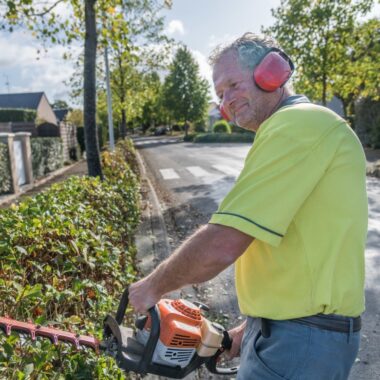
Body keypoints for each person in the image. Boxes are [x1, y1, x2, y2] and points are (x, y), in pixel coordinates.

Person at [129, 33, 368, 380]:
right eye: (220, 94)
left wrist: (151, 286)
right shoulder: (294, 129)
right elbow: (300, 251)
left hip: (301, 343)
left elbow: (225, 241)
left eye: (233, 85)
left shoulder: (299, 125)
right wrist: (251, 328)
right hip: (291, 333)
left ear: (271, 73)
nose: (227, 100)